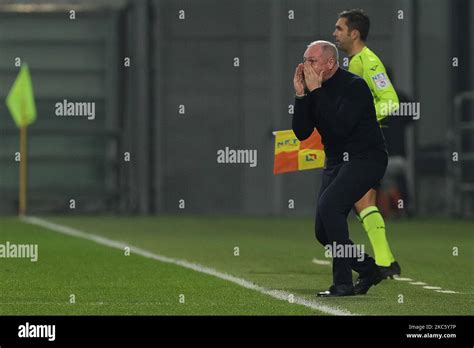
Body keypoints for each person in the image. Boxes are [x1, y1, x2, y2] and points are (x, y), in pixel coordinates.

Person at [292, 40, 386, 296]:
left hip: (366, 158)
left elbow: (340, 127)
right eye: (305, 60)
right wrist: (301, 95)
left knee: (330, 206)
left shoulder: (354, 86)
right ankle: (368, 269)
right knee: (323, 232)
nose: (305, 66)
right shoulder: (314, 89)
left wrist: (316, 92)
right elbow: (302, 133)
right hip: (336, 160)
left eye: (312, 61)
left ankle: (342, 284)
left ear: (330, 63)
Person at [333, 9, 401, 278]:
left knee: (356, 202)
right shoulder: (353, 62)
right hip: (358, 145)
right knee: (364, 203)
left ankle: (380, 265)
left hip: (366, 146)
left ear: (354, 33)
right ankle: (387, 263)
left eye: (339, 28)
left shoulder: (370, 62)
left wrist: (362, 119)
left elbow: (391, 101)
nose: (334, 33)